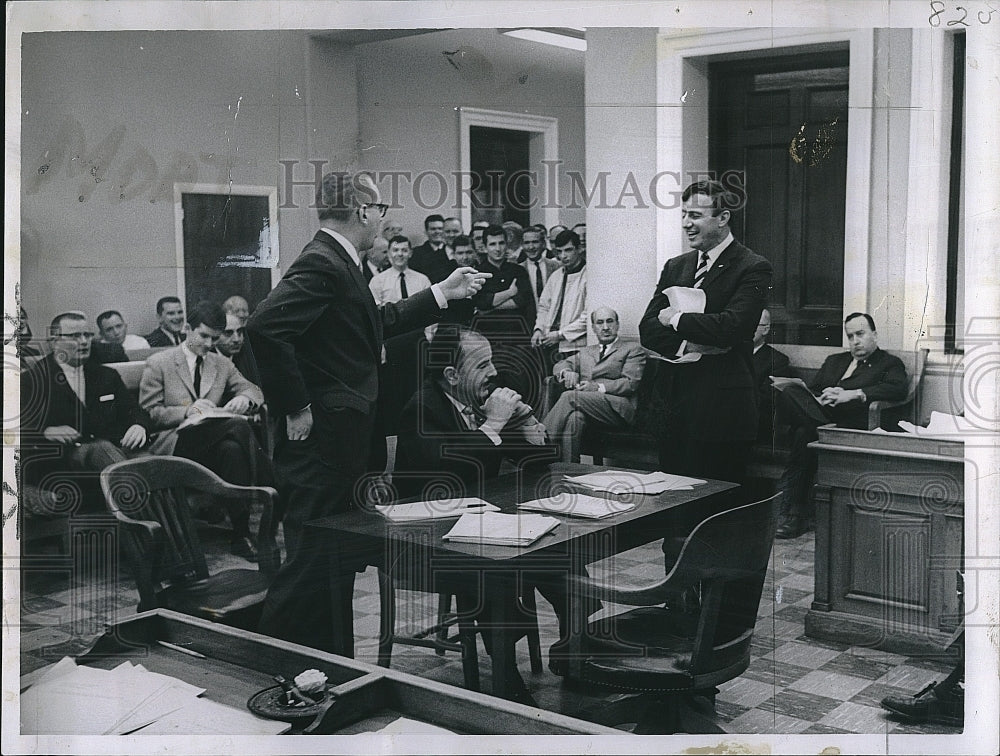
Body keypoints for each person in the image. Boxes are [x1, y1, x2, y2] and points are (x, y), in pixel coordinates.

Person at [245, 170, 488, 655]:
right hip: (320, 448)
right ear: (361, 211)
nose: (382, 218)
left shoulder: (340, 261)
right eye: (379, 209)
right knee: (312, 566)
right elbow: (264, 328)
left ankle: (332, 671)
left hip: (340, 444)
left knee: (329, 565)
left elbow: (372, 323)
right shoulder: (323, 261)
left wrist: (440, 294)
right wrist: (295, 406)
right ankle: (260, 664)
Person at [395, 325, 581, 703]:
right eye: (483, 365)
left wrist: (527, 423)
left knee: (556, 544)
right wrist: (494, 424)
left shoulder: (480, 403)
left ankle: (574, 643)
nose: (494, 373)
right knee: (499, 566)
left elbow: (537, 462)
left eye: (493, 361)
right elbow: (447, 470)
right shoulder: (423, 406)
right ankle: (505, 677)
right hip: (425, 538)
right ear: (452, 375)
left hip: (479, 528)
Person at [639, 179, 772, 485]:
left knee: (715, 511)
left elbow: (732, 327)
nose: (686, 224)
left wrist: (675, 320)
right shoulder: (676, 266)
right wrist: (689, 347)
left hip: (722, 411)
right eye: (684, 215)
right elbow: (647, 328)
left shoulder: (753, 267)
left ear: (723, 218)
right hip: (673, 407)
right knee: (672, 501)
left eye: (695, 216)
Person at [140, 301, 269, 561]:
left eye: (214, 338)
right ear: (188, 329)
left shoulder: (221, 364)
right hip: (175, 444)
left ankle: (241, 534)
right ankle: (271, 482)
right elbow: (149, 414)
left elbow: (254, 390)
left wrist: (245, 399)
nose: (210, 344)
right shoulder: (160, 362)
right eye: (204, 337)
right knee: (237, 425)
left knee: (232, 448)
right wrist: (186, 412)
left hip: (210, 445)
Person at [774, 312, 907, 538]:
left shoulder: (889, 363)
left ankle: (793, 514)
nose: (855, 341)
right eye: (850, 336)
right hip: (822, 417)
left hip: (849, 424)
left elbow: (898, 389)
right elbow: (812, 391)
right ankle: (793, 514)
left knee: (804, 434)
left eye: (860, 334)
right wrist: (824, 395)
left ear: (874, 335)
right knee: (789, 392)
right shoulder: (836, 361)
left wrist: (854, 394)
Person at [20, 311, 151, 488]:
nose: (83, 342)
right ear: (54, 342)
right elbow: (17, 430)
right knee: (103, 451)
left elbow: (134, 410)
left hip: (115, 450)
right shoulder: (32, 380)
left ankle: (168, 513)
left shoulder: (106, 375)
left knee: (152, 464)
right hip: (65, 460)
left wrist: (138, 425)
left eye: (87, 335)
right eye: (75, 336)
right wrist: (45, 431)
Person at [542, 308, 646, 463]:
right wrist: (567, 372)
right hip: (591, 409)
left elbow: (630, 383)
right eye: (600, 322)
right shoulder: (586, 352)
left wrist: (597, 388)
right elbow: (561, 364)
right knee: (574, 418)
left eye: (610, 321)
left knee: (570, 396)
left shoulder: (632, 349)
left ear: (617, 325)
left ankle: (540, 442)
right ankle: (569, 470)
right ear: (593, 328)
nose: (605, 327)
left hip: (617, 409)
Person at [471, 224, 539, 407]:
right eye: (492, 244)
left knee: (520, 393)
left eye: (501, 243)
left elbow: (521, 302)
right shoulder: (476, 274)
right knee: (490, 393)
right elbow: (479, 303)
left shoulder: (518, 271)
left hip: (516, 343)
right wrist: (509, 292)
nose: (498, 248)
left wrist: (490, 304)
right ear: (484, 247)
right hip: (488, 344)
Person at [531, 229, 588, 375]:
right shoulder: (556, 276)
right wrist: (539, 329)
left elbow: (587, 317)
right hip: (550, 345)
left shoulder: (589, 276)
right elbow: (544, 307)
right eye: (559, 251)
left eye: (568, 250)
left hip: (574, 346)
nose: (563, 256)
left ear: (580, 248)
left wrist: (560, 334)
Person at [751, 308, 791, 443]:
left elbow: (767, 398)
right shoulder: (732, 355)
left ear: (766, 329)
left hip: (754, 419)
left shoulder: (777, 360)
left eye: (752, 324)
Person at [368, 236, 432, 306]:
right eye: (395, 250)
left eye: (404, 250)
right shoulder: (377, 281)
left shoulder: (422, 280)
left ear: (410, 253)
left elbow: (428, 307)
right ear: (389, 253)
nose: (400, 254)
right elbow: (374, 309)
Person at [215, 310, 260, 387]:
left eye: (239, 332)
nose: (236, 339)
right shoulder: (206, 359)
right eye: (228, 333)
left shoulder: (250, 359)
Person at [519, 226, 560, 307]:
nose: (531, 247)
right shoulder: (518, 269)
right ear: (522, 245)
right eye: (527, 243)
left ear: (543, 244)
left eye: (535, 242)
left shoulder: (556, 266)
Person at [409, 213, 453, 283]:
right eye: (433, 229)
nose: (437, 232)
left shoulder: (452, 252)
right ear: (426, 232)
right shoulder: (416, 253)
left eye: (440, 229)